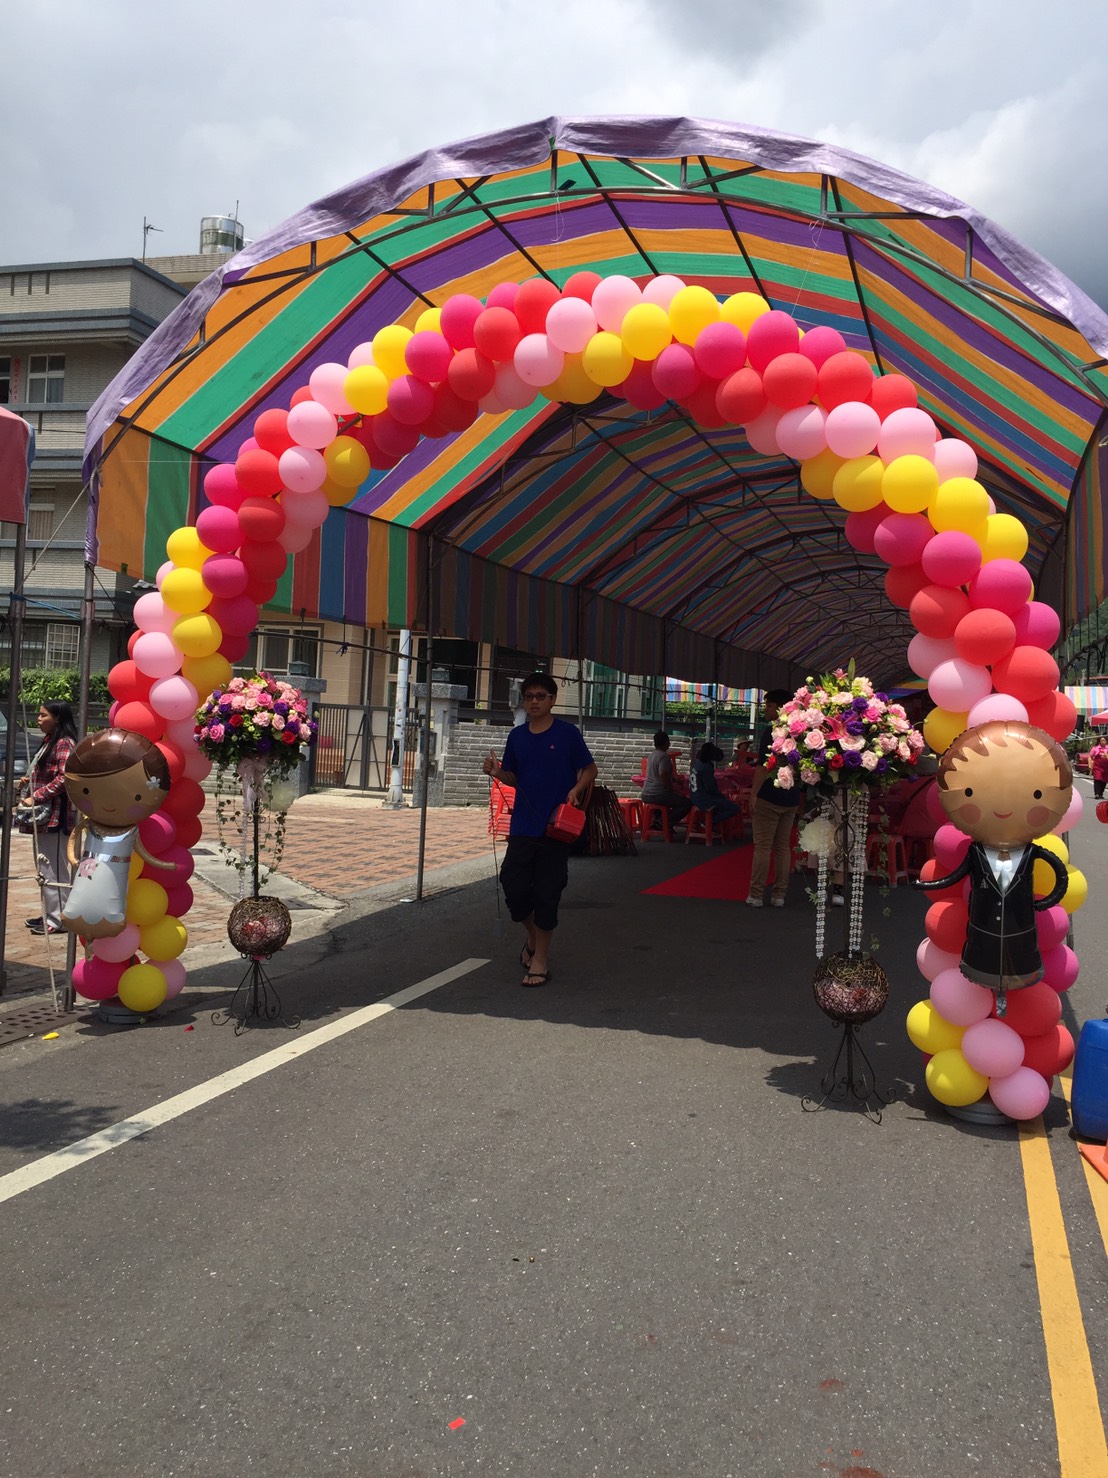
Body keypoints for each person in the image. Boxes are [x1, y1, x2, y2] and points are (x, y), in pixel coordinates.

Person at [913, 720, 1070, 1016]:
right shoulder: (976, 850)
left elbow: (1058, 875)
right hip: (982, 924)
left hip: (1019, 927)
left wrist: (1046, 902)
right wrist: (929, 885)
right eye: (969, 792)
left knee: (1020, 954)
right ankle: (987, 982)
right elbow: (957, 875)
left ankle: (1011, 988)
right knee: (982, 954)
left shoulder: (1032, 851)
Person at [482, 672, 597, 987]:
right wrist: (497, 772)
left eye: (540, 696)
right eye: (529, 696)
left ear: (553, 700)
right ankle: (533, 939)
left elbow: (590, 768)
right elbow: (514, 777)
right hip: (523, 826)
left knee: (547, 894)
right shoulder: (517, 737)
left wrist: (576, 790)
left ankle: (541, 960)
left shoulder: (568, 734)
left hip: (556, 828)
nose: (533, 701)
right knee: (514, 887)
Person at [62, 728, 177, 939]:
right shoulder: (90, 824)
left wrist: (163, 864)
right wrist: (75, 859)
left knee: (111, 897)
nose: (109, 804)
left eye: (137, 797)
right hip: (87, 867)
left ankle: (104, 921)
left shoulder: (130, 829)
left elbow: (144, 853)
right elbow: (72, 843)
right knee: (83, 892)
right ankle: (74, 916)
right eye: (86, 791)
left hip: (114, 872)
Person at [15, 701, 78, 936]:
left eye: (44, 715)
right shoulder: (49, 741)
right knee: (45, 866)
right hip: (44, 817)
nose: (39, 719)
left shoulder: (64, 743)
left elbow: (65, 777)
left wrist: (37, 796)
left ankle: (59, 918)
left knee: (54, 869)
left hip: (56, 816)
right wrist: (28, 783)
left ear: (58, 718)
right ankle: (52, 913)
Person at [747, 688, 802, 908]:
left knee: (762, 846)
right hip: (790, 797)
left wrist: (753, 794)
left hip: (769, 796)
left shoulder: (770, 732)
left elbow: (762, 767)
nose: (765, 709)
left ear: (780, 707)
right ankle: (779, 894)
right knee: (782, 847)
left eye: (768, 705)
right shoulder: (800, 732)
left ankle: (756, 894)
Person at [641, 730, 691, 828]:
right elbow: (662, 774)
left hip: (646, 794)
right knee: (686, 804)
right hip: (658, 794)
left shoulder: (652, 755)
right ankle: (662, 822)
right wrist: (671, 789)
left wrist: (674, 780)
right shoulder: (664, 756)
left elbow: (659, 773)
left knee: (668, 804)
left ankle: (660, 824)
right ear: (666, 743)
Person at [689, 742, 741, 830]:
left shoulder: (697, 764)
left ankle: (709, 824)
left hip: (694, 797)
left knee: (721, 804)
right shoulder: (706, 767)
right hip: (705, 800)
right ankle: (709, 822)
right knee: (734, 808)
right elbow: (710, 788)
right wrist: (721, 796)